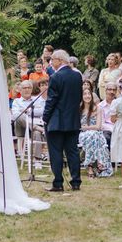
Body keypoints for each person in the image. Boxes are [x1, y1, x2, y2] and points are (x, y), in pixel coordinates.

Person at [42, 49, 82, 192]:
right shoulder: (77, 76)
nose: (51, 62)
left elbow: (51, 100)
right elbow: (79, 99)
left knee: (56, 152)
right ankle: (76, 181)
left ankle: (58, 183)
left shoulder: (56, 77)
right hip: (72, 119)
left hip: (57, 121)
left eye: (52, 59)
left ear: (60, 60)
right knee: (72, 151)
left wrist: (45, 117)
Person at [78, 88, 113, 178]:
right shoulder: (78, 109)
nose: (87, 96)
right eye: (84, 94)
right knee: (93, 135)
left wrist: (87, 127)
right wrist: (85, 128)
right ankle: (99, 164)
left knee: (94, 135)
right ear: (81, 96)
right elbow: (79, 126)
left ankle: (90, 166)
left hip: (96, 134)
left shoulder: (98, 109)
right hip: (83, 134)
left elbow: (98, 127)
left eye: (89, 94)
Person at [11, 80, 45, 159]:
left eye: (29, 88)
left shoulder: (38, 100)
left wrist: (28, 111)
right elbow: (15, 115)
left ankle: (37, 159)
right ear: (20, 90)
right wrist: (32, 112)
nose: (27, 90)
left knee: (37, 133)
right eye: (24, 88)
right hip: (21, 129)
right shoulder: (16, 101)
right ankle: (39, 128)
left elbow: (43, 111)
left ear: (32, 89)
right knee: (19, 116)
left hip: (34, 128)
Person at [99, 82, 117, 147]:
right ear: (105, 91)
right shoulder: (100, 106)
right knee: (106, 137)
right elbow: (101, 124)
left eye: (114, 90)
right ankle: (109, 156)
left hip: (119, 128)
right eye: (109, 89)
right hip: (107, 130)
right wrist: (113, 129)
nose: (112, 92)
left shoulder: (119, 104)